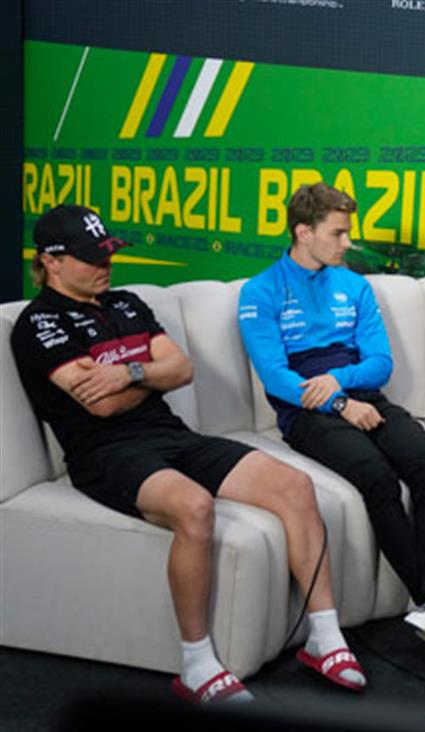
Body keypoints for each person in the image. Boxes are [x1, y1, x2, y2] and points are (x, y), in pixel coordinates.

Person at [12, 205, 365, 703]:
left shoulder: (127, 303)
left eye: (108, 253)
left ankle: (324, 638)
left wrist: (130, 372)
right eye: (92, 258)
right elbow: (103, 405)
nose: (106, 265)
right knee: (195, 507)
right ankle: (197, 665)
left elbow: (181, 369)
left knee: (294, 486)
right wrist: (148, 374)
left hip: (171, 436)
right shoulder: (38, 324)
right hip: (105, 453)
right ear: (51, 261)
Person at [238, 183, 425, 659]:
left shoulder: (354, 286)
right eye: (338, 233)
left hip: (364, 396)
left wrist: (339, 380)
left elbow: (380, 363)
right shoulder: (261, 290)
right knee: (376, 477)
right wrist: (337, 403)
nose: (347, 242)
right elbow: (276, 378)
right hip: (306, 412)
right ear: (303, 233)